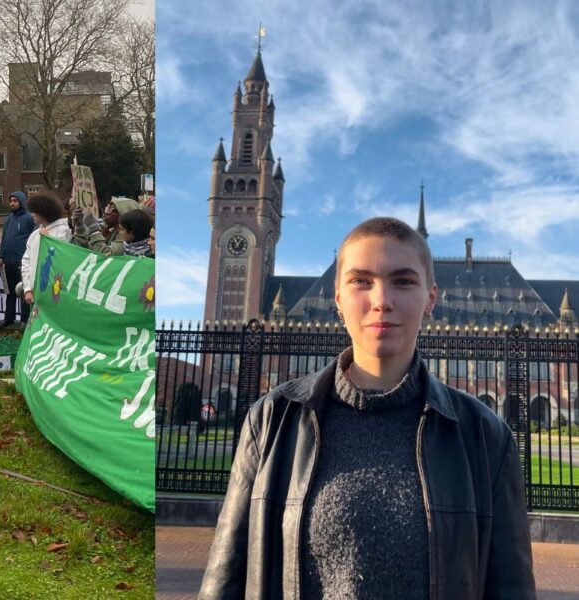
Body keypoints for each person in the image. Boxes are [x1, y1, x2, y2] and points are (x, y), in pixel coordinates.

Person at [198, 217, 535, 599]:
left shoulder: (485, 436)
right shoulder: (271, 421)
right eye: (361, 280)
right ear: (337, 300)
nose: (381, 301)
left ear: (431, 299)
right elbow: (225, 578)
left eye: (403, 281)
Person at [21, 192, 71, 306]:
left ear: (43, 212)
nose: (32, 215)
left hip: (55, 294)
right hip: (35, 294)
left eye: (34, 211)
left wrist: (49, 240)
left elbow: (63, 257)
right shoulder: (34, 235)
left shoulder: (64, 231)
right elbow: (26, 262)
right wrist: (28, 289)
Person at [0, 190, 35, 329]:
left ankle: (24, 321)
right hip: (8, 262)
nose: (12, 203)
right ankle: (9, 318)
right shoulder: (8, 219)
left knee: (24, 292)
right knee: (10, 293)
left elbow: (34, 238)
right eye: (11, 201)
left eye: (15, 201)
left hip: (22, 263)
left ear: (22, 202)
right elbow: (5, 239)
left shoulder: (29, 218)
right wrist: (1, 256)